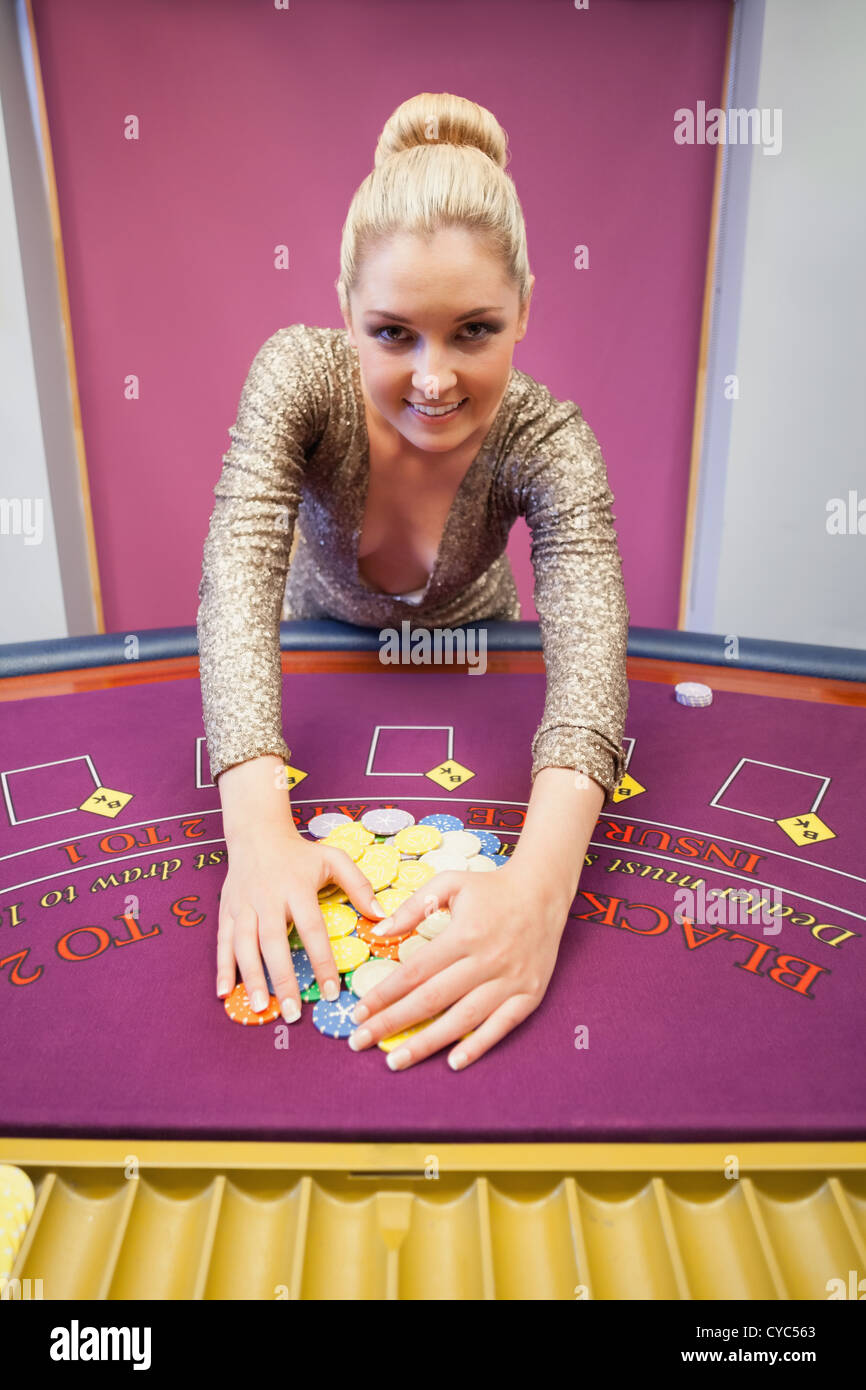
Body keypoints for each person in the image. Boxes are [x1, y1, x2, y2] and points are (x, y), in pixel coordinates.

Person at [197, 92, 629, 1071]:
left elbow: (590, 658)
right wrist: (258, 831)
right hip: (315, 649)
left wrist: (537, 892)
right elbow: (236, 581)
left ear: (525, 310)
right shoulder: (294, 379)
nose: (432, 380)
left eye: (472, 330)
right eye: (392, 334)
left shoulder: (551, 441)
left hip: (476, 657)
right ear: (346, 312)